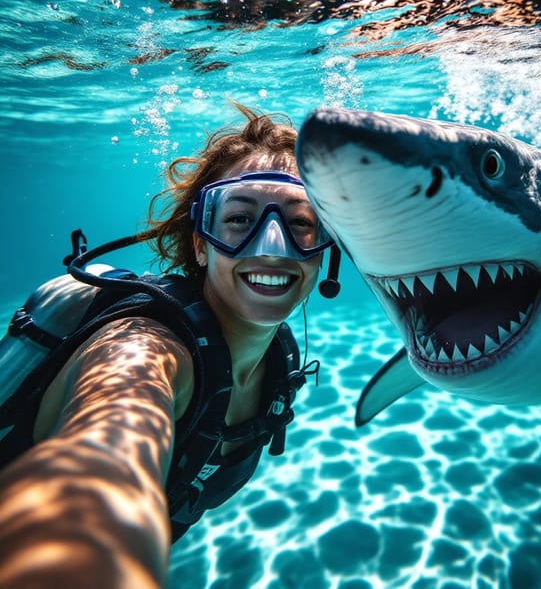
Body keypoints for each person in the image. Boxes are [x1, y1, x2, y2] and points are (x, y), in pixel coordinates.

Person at [0, 104, 338, 588]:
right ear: (200, 243)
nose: (271, 245)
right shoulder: (142, 348)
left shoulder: (277, 358)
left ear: (328, 244)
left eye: (301, 223)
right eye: (240, 220)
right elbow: (106, 451)